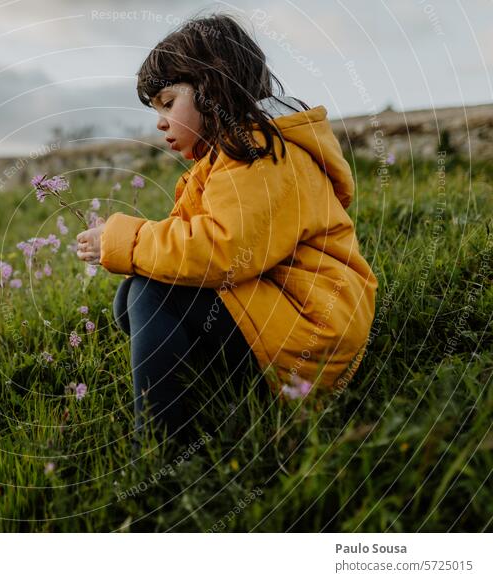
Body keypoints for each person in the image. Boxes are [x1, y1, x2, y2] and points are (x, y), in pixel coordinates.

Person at [75, 13, 378, 445]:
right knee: (134, 295)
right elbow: (193, 244)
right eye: (155, 109)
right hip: (285, 312)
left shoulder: (259, 152)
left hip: (313, 329)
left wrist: (126, 240)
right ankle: (217, 390)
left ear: (212, 87)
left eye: (167, 102)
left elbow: (219, 250)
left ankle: (162, 441)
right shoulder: (229, 156)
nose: (159, 121)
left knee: (151, 293)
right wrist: (122, 246)